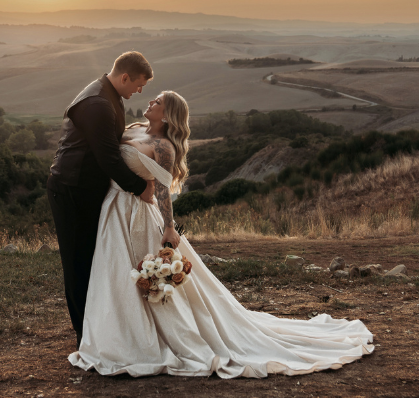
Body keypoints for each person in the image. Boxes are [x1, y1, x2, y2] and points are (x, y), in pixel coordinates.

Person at [69, 91, 375, 378]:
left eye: (159, 100)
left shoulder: (164, 148)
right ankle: (114, 334)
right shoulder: (134, 127)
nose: (151, 101)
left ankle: (144, 339)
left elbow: (162, 190)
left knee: (145, 281)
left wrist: (169, 227)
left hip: (136, 216)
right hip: (113, 209)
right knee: (111, 275)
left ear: (169, 113)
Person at [47, 51, 159, 349]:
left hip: (85, 190)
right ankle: (86, 339)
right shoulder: (98, 103)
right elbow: (108, 158)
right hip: (71, 190)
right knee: (78, 265)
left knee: (94, 260)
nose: (139, 92)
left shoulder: (107, 94)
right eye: (138, 85)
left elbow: (113, 142)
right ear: (125, 77)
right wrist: (140, 187)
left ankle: (98, 330)